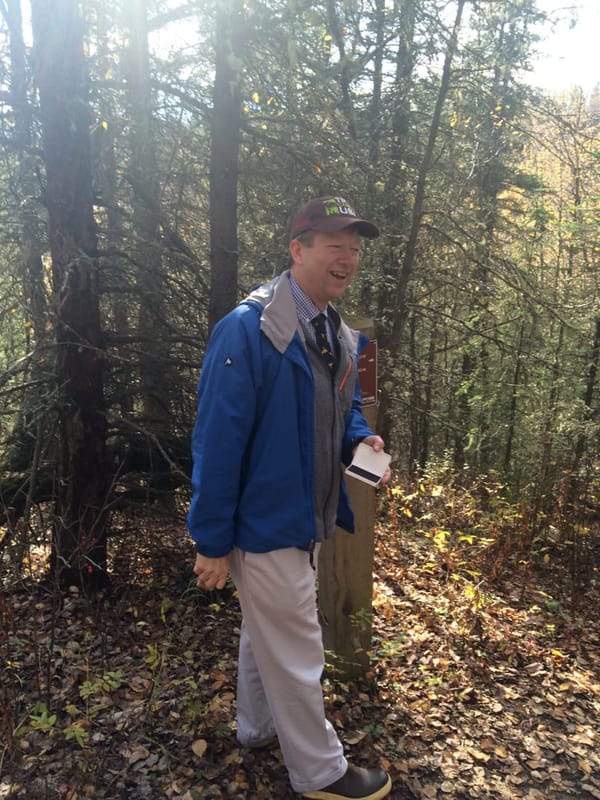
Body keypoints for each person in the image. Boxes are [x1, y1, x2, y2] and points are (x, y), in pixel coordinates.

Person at [187, 195, 392, 800]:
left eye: (354, 249)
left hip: (309, 517)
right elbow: (217, 441)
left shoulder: (336, 332)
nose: (347, 258)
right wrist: (212, 540)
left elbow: (343, 407)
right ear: (297, 250)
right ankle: (320, 773)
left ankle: (255, 727)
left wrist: (361, 437)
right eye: (334, 245)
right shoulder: (249, 329)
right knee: (301, 650)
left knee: (264, 629)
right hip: (265, 524)